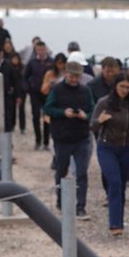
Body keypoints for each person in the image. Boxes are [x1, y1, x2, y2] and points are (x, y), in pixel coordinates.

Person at [91, 76, 129, 236]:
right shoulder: (104, 102)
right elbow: (92, 126)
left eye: (128, 88)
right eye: (122, 86)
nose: (124, 90)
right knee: (114, 181)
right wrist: (99, 121)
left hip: (127, 149)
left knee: (121, 185)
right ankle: (114, 223)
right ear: (115, 86)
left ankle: (119, 221)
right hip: (107, 148)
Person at [44, 60, 94, 218]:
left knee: (82, 173)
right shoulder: (57, 90)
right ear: (66, 74)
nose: (74, 80)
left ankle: (81, 205)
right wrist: (62, 113)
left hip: (81, 138)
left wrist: (85, 116)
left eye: (77, 77)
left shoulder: (86, 91)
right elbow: (47, 108)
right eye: (72, 76)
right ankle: (61, 200)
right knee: (61, 171)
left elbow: (93, 110)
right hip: (62, 138)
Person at [23, 41, 55, 149]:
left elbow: (57, 75)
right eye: (38, 50)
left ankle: (46, 142)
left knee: (47, 116)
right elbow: (25, 77)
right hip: (35, 93)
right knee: (35, 116)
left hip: (47, 93)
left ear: (45, 49)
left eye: (42, 49)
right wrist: (28, 89)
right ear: (36, 50)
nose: (40, 52)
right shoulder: (32, 62)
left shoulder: (51, 62)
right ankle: (38, 140)